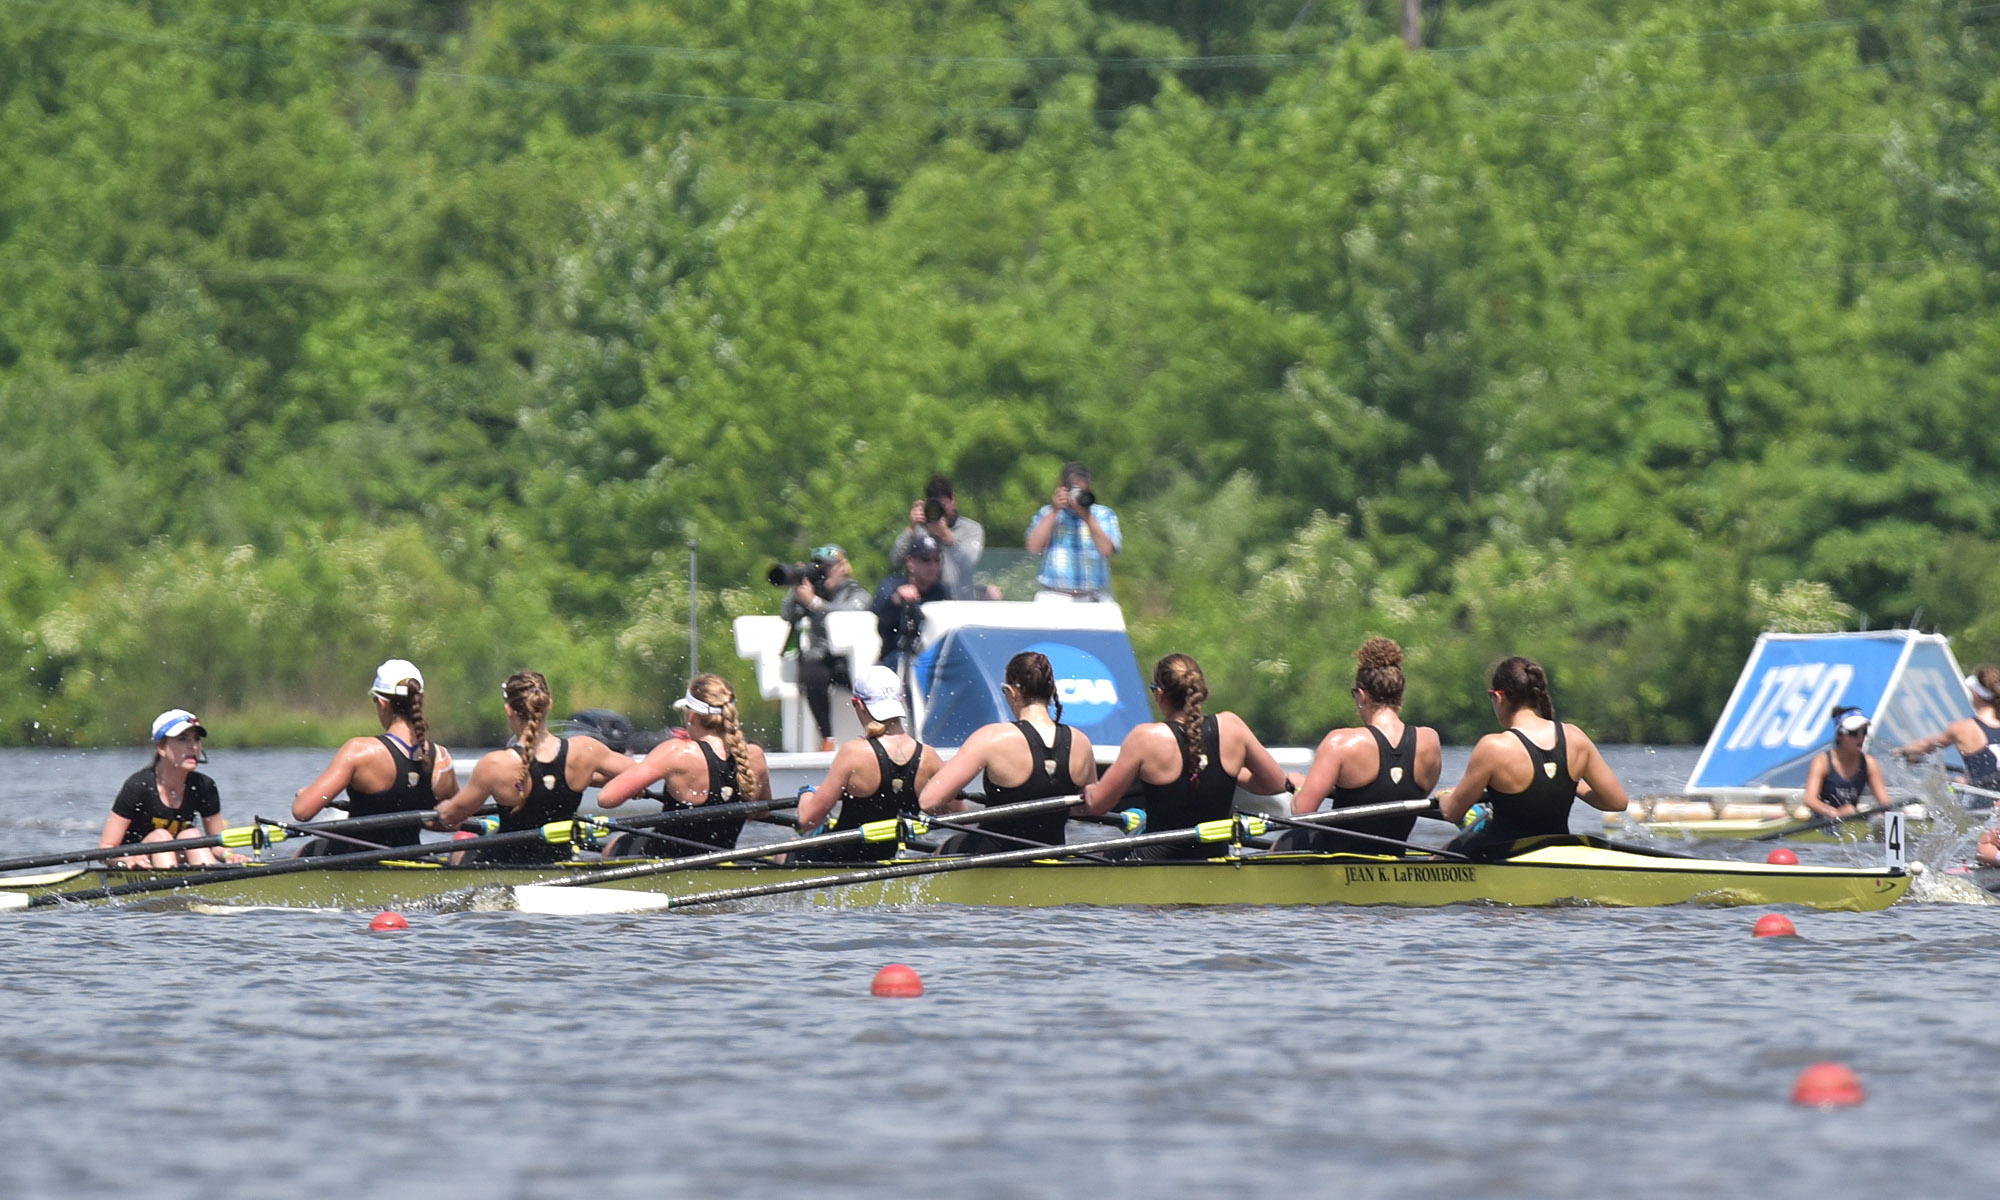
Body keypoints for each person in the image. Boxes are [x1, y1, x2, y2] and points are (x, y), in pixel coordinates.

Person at [1079, 654, 1295, 860]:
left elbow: (1098, 806)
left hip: (1153, 863)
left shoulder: (1145, 738)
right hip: (1215, 857)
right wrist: (1225, 773)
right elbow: (1275, 784)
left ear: (1161, 694)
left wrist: (1089, 789)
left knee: (1088, 859)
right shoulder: (1232, 726)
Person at [433, 671, 638, 864]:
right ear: (549, 704)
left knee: (461, 841)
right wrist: (588, 778)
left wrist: (440, 809)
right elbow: (639, 774)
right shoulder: (585, 751)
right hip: (559, 861)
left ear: (509, 709)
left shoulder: (495, 764)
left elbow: (453, 816)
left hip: (503, 864)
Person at [1437, 656, 1629, 857]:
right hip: (1560, 853)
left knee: (1443, 853)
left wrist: (1443, 796)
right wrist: (1571, 784)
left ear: (1499, 697)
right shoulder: (1574, 737)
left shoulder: (1493, 747)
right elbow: (1616, 802)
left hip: (1503, 855)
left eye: (1490, 696)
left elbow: (1452, 813)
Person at [917, 651, 1098, 854]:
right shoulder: (1081, 742)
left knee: (942, 849)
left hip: (992, 856)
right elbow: (1090, 807)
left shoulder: (992, 737)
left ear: (1012, 692)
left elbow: (929, 800)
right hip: (1052, 853)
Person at [1277, 637, 1442, 855]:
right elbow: (1404, 798)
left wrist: (1299, 787)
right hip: (1393, 855)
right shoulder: (1429, 741)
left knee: (1288, 840)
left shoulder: (1341, 743)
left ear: (1362, 695)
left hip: (1339, 861)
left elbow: (1302, 814)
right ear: (1400, 695)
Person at [292, 659, 458, 856]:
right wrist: (415, 817)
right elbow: (456, 820)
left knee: (309, 850)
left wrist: (307, 795)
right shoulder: (441, 758)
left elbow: (302, 812)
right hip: (412, 861)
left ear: (382, 703)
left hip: (353, 862)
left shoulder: (359, 751)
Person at [597, 674, 772, 857]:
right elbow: (762, 812)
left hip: (664, 861)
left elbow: (606, 799)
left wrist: (635, 789)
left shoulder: (677, 752)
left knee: (617, 844)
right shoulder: (754, 755)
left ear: (692, 717)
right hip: (720, 860)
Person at [793, 666, 945, 863]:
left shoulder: (854, 753)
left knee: (785, 851)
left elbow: (808, 820)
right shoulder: (929, 757)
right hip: (890, 859)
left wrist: (807, 792)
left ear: (859, 704)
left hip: (839, 862)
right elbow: (961, 818)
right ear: (899, 700)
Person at [99, 709, 231, 869]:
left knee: (192, 835)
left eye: (196, 739)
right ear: (161, 747)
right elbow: (106, 849)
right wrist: (125, 861)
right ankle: (169, 891)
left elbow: (216, 844)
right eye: (183, 739)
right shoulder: (138, 786)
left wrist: (230, 856)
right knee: (161, 837)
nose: (193, 747)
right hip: (140, 862)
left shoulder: (204, 786)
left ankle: (211, 886)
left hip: (178, 856)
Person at [779, 544, 872, 751]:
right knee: (811, 675)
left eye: (828, 566)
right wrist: (796, 587)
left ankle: (877, 729)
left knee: (864, 686)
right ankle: (827, 738)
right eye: (819, 566)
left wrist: (814, 602)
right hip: (820, 657)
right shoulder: (811, 591)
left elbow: (850, 612)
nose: (822, 571)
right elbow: (786, 614)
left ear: (843, 567)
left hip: (850, 660)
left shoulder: (854, 592)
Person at [1025, 461, 1121, 602]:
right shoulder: (1048, 514)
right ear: (1063, 488)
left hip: (1092, 597)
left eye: (1081, 491)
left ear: (1089, 488)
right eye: (1074, 491)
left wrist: (1087, 516)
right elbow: (1033, 547)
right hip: (1054, 596)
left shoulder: (1103, 515)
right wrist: (1055, 511)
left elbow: (1107, 550)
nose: (1077, 496)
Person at [1895, 666, 2000, 792]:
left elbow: (1926, 746)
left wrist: (1902, 751)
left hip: (1983, 804)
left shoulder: (1961, 728)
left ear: (1976, 694)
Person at [891, 474, 996, 600]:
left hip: (957, 599)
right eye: (935, 505)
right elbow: (895, 560)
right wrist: (910, 529)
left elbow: (968, 563)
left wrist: (948, 538)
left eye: (944, 504)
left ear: (953, 500)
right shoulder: (920, 528)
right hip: (923, 599)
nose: (941, 510)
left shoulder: (972, 529)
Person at [872, 533, 952, 672]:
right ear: (910, 562)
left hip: (934, 658)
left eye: (936, 560)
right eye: (926, 560)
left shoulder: (942, 592)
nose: (932, 566)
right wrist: (897, 600)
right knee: (901, 661)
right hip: (895, 656)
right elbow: (878, 613)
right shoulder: (891, 585)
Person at [1803, 707, 1893, 820]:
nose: (1860, 738)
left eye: (1863, 731)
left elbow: (1885, 803)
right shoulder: (1822, 761)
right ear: (1840, 735)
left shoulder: (1869, 763)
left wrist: (1895, 813)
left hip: (1851, 821)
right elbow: (1810, 800)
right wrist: (1836, 813)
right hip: (1821, 821)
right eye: (1854, 733)